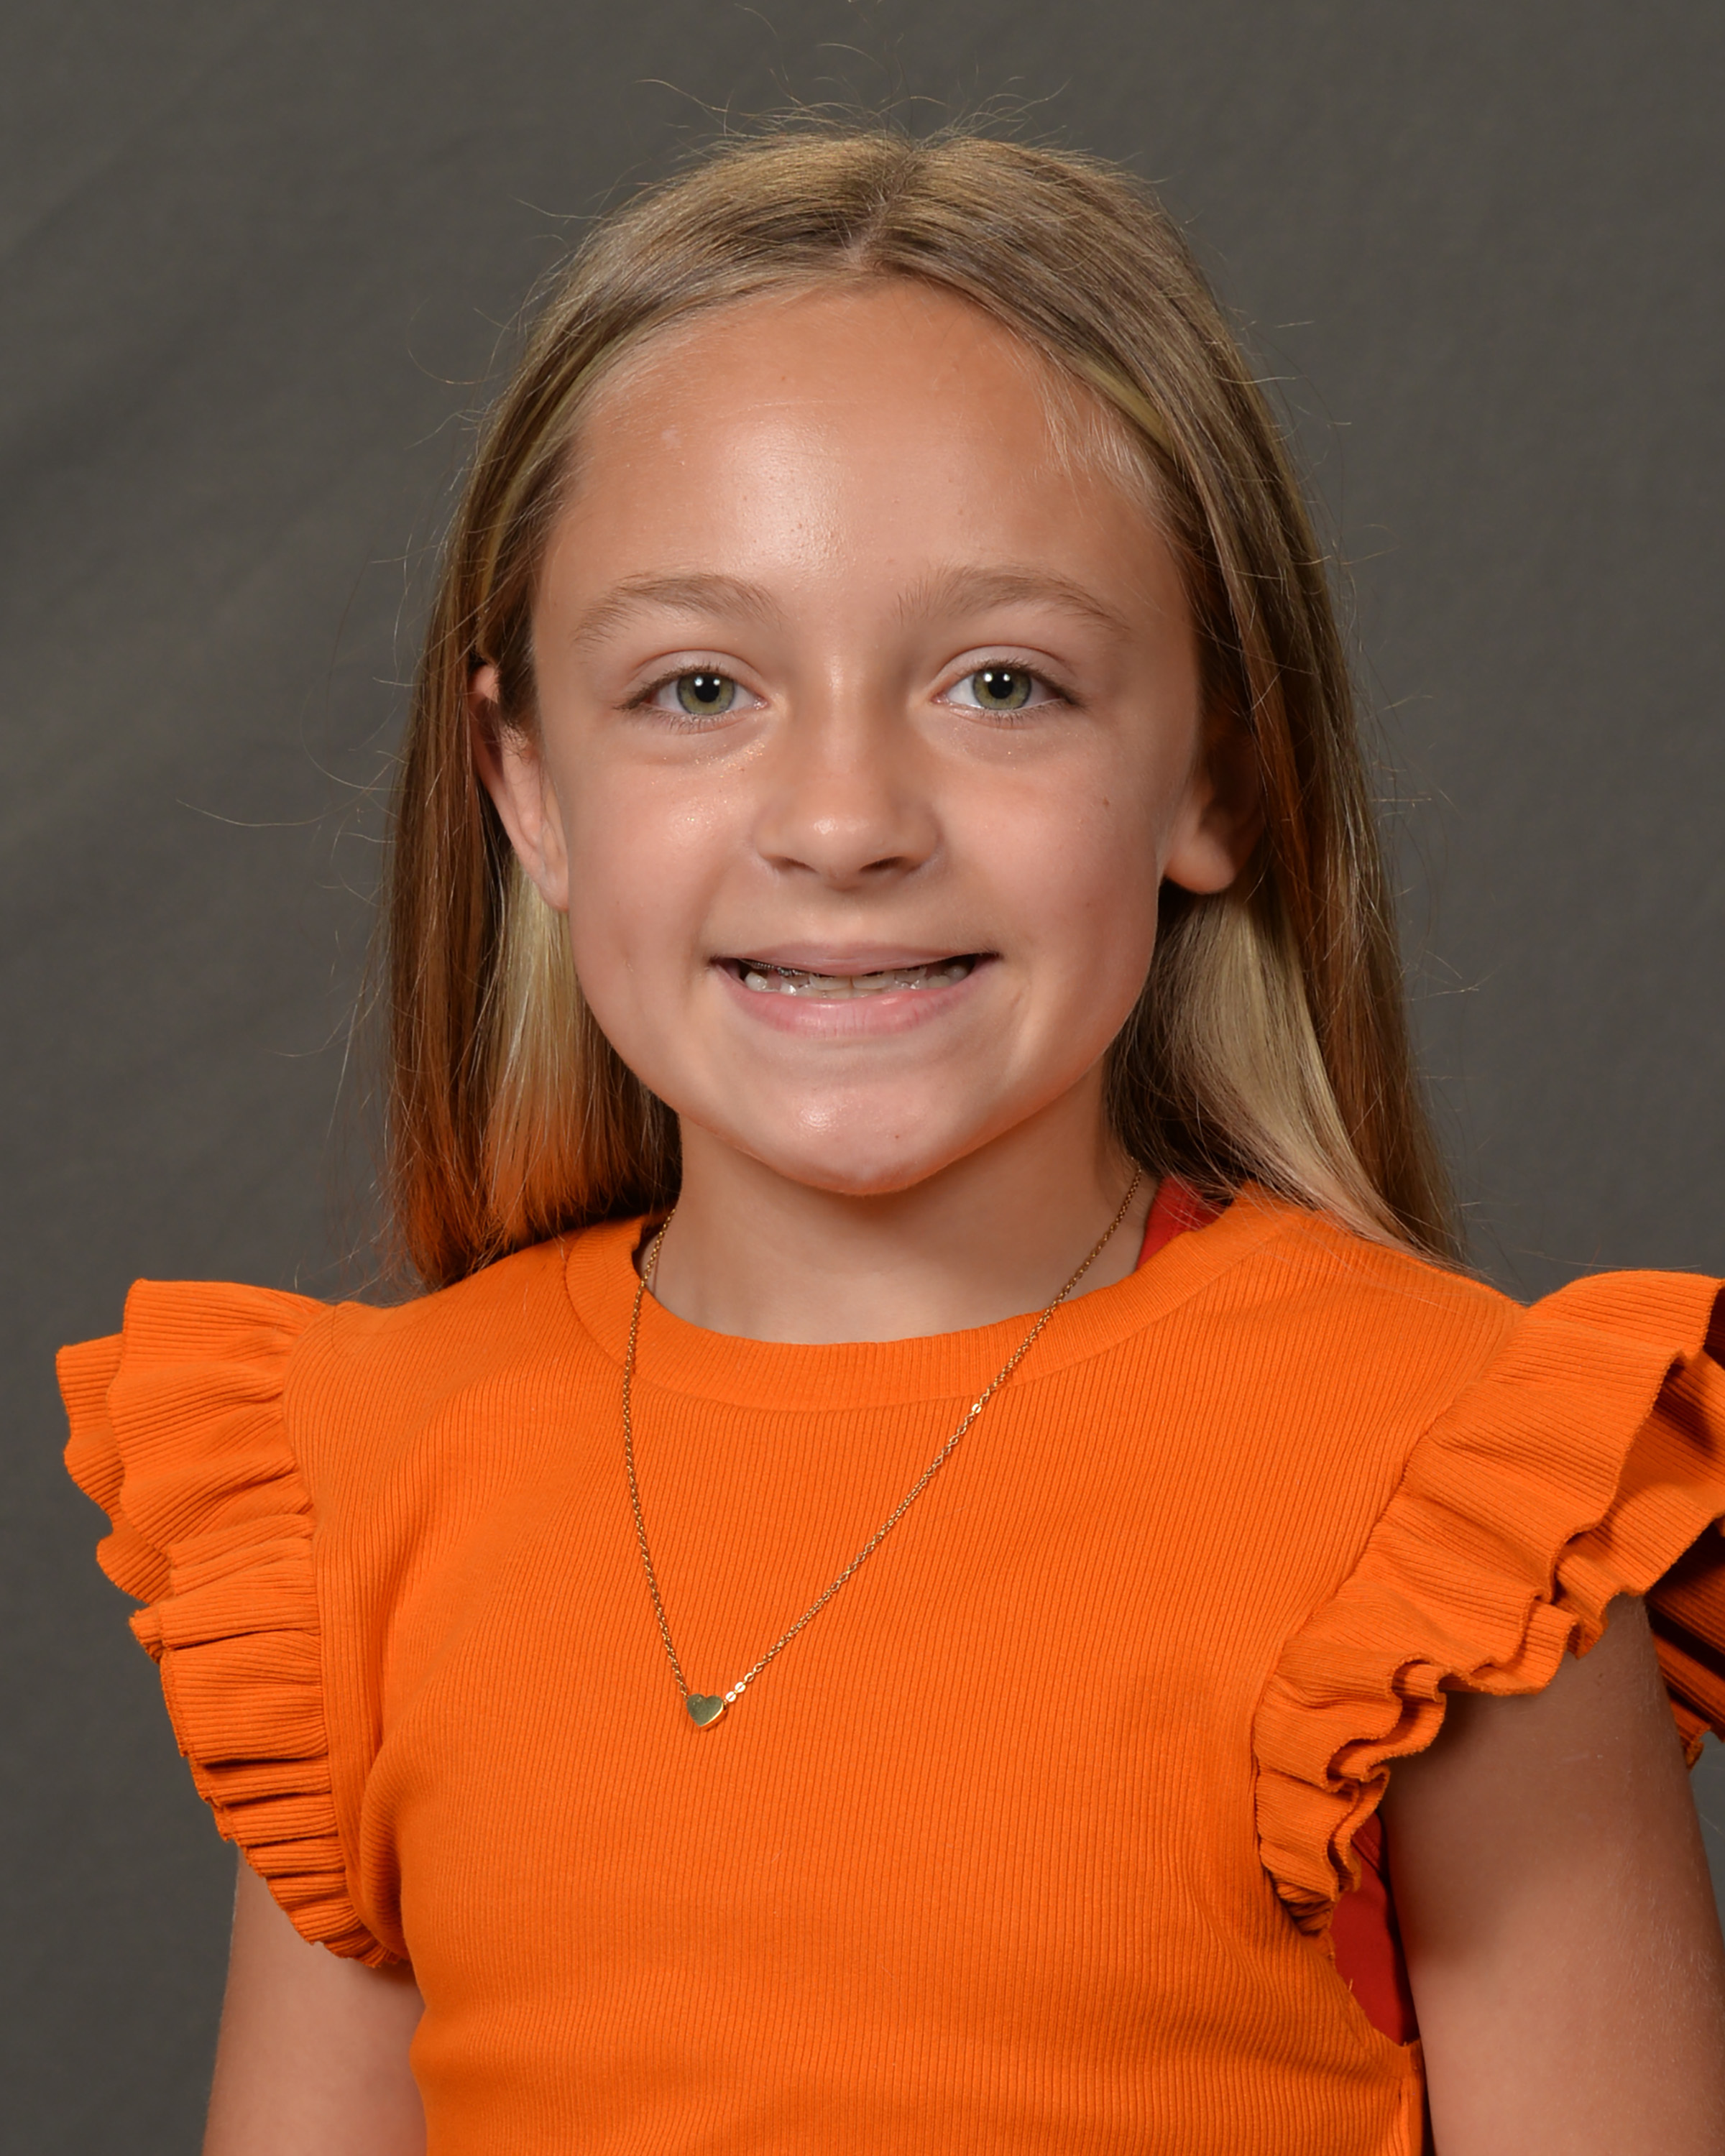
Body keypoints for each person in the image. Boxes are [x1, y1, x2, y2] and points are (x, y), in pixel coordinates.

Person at [58, 127, 1725, 2155]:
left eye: (1003, 682)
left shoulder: (1451, 1514)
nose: (844, 821)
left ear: (1218, 777)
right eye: (698, 688)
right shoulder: (352, 1503)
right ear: (532, 790)